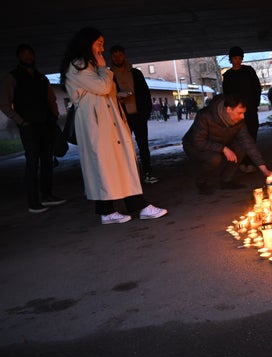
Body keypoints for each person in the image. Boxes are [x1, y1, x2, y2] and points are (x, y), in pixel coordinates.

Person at [59, 27, 167, 224]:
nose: (102, 47)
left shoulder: (88, 65)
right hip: (96, 123)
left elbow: (101, 91)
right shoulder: (78, 65)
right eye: (98, 43)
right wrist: (103, 69)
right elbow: (101, 87)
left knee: (114, 163)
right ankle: (126, 207)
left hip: (106, 119)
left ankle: (115, 209)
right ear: (86, 43)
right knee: (105, 164)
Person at [0, 44, 66, 213]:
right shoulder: (11, 77)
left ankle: (47, 195)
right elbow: (4, 103)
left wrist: (54, 114)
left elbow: (50, 98)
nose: (28, 57)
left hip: (46, 124)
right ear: (19, 57)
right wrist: (20, 121)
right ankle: (33, 202)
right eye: (24, 54)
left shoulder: (41, 77)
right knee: (32, 162)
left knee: (47, 161)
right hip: (28, 126)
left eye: (30, 54)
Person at [182, 94, 272, 195]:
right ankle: (201, 182)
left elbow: (248, 143)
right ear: (228, 109)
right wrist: (223, 149)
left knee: (241, 148)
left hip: (219, 143)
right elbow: (198, 141)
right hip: (193, 145)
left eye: (243, 113)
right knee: (214, 158)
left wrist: (265, 170)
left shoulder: (239, 122)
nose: (242, 116)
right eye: (239, 113)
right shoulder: (205, 116)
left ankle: (225, 181)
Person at [109, 44, 159, 184]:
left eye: (120, 55)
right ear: (111, 57)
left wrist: (146, 112)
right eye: (114, 55)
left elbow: (145, 92)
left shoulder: (136, 73)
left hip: (138, 115)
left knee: (143, 145)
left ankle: (147, 173)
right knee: (123, 147)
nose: (117, 58)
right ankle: (129, 178)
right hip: (121, 117)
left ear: (124, 55)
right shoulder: (109, 75)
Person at [222, 46, 262, 174]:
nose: (237, 61)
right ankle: (241, 162)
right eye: (234, 58)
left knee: (251, 134)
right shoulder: (228, 75)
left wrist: (254, 103)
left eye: (239, 58)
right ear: (231, 59)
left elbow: (257, 88)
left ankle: (250, 162)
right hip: (235, 112)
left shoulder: (248, 71)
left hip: (250, 109)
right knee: (238, 137)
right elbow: (226, 94)